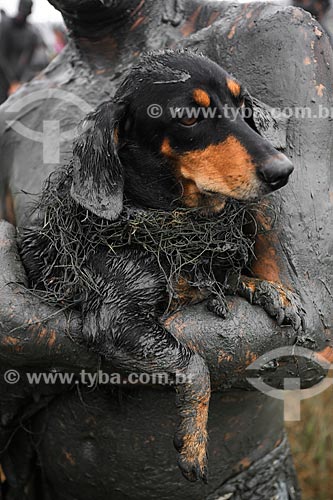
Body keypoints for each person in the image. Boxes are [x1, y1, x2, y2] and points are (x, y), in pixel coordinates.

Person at [0, 0, 38, 104]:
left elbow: (28, 61)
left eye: (27, 9)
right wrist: (12, 80)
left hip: (18, 77)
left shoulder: (31, 34)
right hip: (3, 75)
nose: (25, 12)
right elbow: (1, 55)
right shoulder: (6, 27)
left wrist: (21, 81)